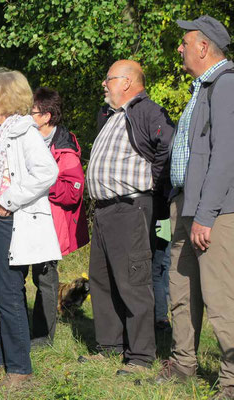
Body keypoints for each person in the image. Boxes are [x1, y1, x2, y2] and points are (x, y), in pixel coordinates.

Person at [155, 16, 234, 399]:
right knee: (181, 286)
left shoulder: (226, 84)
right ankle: (183, 364)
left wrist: (206, 213)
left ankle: (231, 381)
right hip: (185, 203)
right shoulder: (200, 88)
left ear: (203, 47)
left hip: (213, 209)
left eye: (185, 42)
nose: (181, 48)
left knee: (219, 294)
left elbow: (226, 156)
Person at [0, 68, 60, 389]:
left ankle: (20, 369)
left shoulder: (24, 132)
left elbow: (48, 172)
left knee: (9, 294)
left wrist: (9, 200)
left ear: (7, 99)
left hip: (11, 220)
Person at [84, 60, 174, 375]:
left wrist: (156, 186)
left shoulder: (147, 111)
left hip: (131, 207)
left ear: (126, 81)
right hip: (106, 210)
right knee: (102, 279)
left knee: (133, 280)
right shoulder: (113, 115)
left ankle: (140, 356)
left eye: (108, 79)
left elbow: (168, 147)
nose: (104, 85)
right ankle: (110, 346)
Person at [29, 87, 89, 347]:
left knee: (45, 277)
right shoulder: (26, 140)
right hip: (25, 220)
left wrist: (43, 182)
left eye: (31, 111)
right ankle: (21, 328)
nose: (26, 116)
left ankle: (43, 337)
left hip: (50, 225)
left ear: (47, 116)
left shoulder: (65, 149)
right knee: (25, 277)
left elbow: (72, 194)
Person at [152, 219, 172, 331]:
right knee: (161, 275)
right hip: (166, 233)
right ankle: (161, 317)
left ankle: (160, 318)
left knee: (155, 275)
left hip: (158, 232)